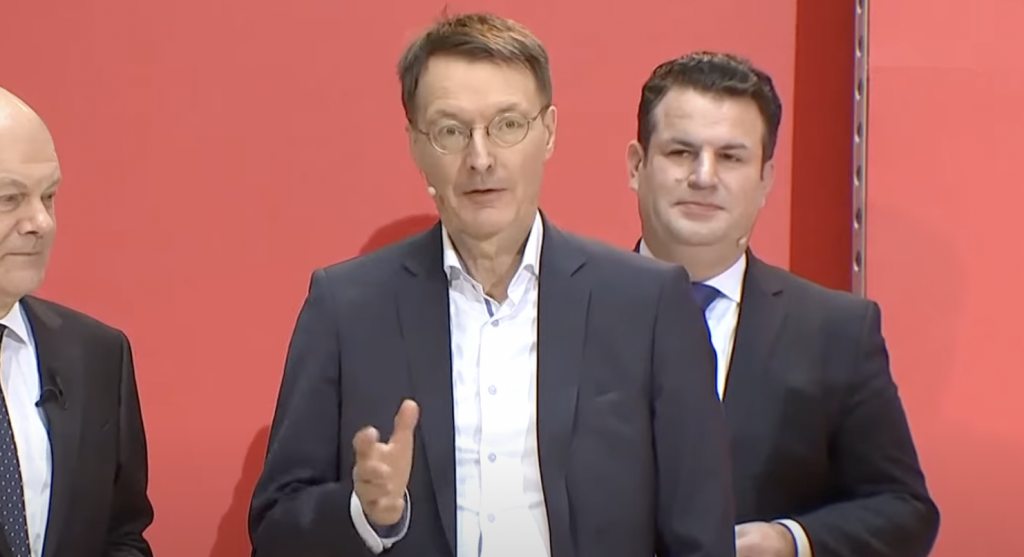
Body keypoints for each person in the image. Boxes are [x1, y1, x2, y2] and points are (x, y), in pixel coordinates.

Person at [248, 13, 735, 557]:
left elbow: (700, 534)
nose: (480, 159)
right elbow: (275, 528)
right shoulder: (347, 308)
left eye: (507, 125)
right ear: (415, 145)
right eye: (451, 132)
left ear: (549, 132)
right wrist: (365, 512)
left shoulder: (647, 304)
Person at [625, 51, 940, 557]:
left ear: (765, 180)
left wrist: (791, 541)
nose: (704, 176)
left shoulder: (835, 331)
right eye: (681, 152)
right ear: (637, 166)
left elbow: (904, 511)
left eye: (731, 157)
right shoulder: (562, 314)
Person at [0, 86, 154, 557]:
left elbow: (122, 536)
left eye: (48, 196)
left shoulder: (97, 356)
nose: (41, 222)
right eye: (9, 199)